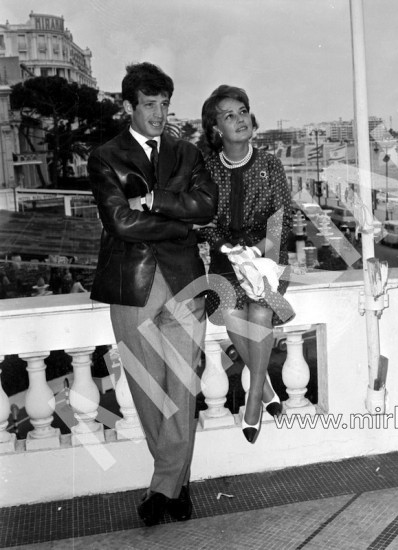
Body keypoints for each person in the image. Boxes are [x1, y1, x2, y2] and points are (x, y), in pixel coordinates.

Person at [87, 62, 217, 526]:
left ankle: (163, 488)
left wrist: (156, 202)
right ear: (128, 106)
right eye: (149, 105)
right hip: (131, 285)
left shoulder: (187, 152)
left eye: (165, 104)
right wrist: (178, 219)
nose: (159, 114)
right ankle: (176, 489)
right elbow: (119, 221)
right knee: (148, 392)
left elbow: (208, 206)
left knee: (181, 388)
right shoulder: (104, 156)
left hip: (184, 282)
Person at [199, 85, 294, 445]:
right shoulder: (207, 169)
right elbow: (206, 221)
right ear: (215, 129)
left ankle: (254, 398)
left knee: (259, 312)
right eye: (229, 115)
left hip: (267, 256)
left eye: (243, 111)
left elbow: (280, 221)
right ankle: (265, 387)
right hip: (225, 257)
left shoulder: (270, 164)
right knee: (230, 307)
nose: (240, 120)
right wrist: (231, 252)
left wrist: (254, 254)